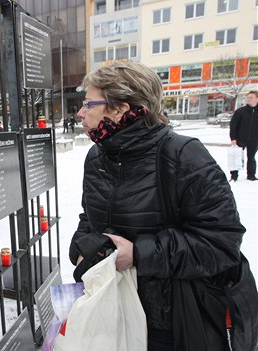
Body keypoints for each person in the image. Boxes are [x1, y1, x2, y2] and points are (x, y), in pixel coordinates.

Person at [68, 62, 246, 350]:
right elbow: (89, 216)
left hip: (171, 324)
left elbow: (222, 244)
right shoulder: (97, 157)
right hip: (110, 310)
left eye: (89, 104)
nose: (80, 113)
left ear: (119, 109)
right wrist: (81, 248)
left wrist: (138, 254)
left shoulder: (184, 156)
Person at [229, 91, 258, 181]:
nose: (248, 99)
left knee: (251, 158)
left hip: (254, 139)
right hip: (240, 139)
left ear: (257, 99)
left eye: (251, 97)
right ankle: (234, 176)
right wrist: (233, 138)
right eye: (248, 97)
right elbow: (233, 125)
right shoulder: (240, 111)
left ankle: (251, 175)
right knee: (236, 157)